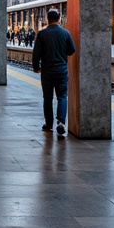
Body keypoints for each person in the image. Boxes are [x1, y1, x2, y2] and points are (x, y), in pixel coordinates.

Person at [32, 8, 76, 137]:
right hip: (62, 70)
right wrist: (63, 53)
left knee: (48, 98)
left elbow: (36, 54)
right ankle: (61, 122)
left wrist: (36, 67)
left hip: (47, 71)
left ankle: (49, 123)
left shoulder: (42, 34)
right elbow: (72, 50)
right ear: (59, 19)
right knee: (62, 96)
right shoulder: (65, 33)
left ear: (47, 19)